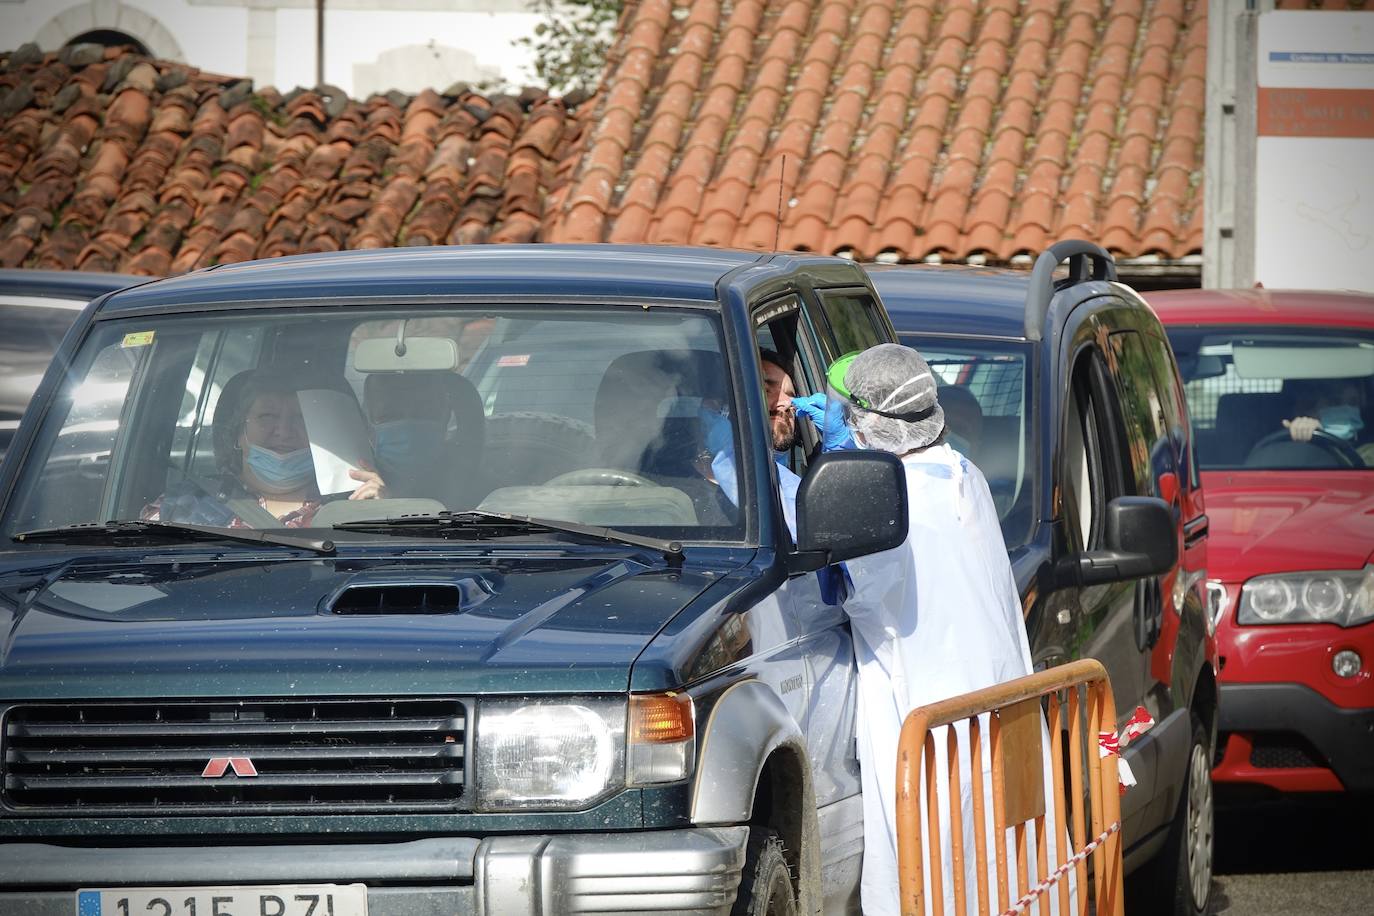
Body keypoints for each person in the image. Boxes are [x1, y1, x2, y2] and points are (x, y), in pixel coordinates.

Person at [830, 344, 1065, 916]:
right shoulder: (964, 474)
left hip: (931, 729)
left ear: (868, 423)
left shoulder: (894, 498)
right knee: (1003, 879)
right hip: (994, 712)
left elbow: (861, 599)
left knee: (938, 882)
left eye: (844, 414)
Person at [144, 368, 385, 528]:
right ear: (238, 433)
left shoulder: (357, 506)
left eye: (301, 418)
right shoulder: (183, 504)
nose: (283, 430)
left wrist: (383, 510)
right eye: (267, 416)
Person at [1282, 378, 1374, 464]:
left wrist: (1323, 445)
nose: (1347, 409)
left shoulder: (1369, 450)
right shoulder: (1281, 446)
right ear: (1311, 410)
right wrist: (1302, 441)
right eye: (1336, 402)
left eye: (1353, 403)